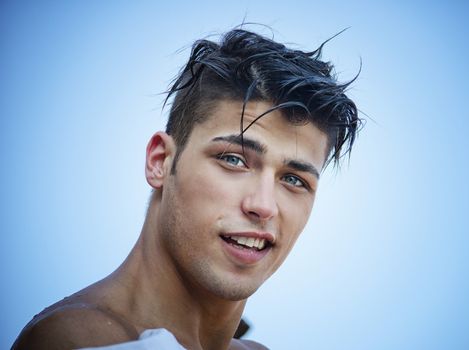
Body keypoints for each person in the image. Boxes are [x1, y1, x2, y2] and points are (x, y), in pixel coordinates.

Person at [12, 28, 360, 350]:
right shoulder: (79, 340)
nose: (264, 205)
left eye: (294, 180)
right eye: (233, 160)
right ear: (160, 161)